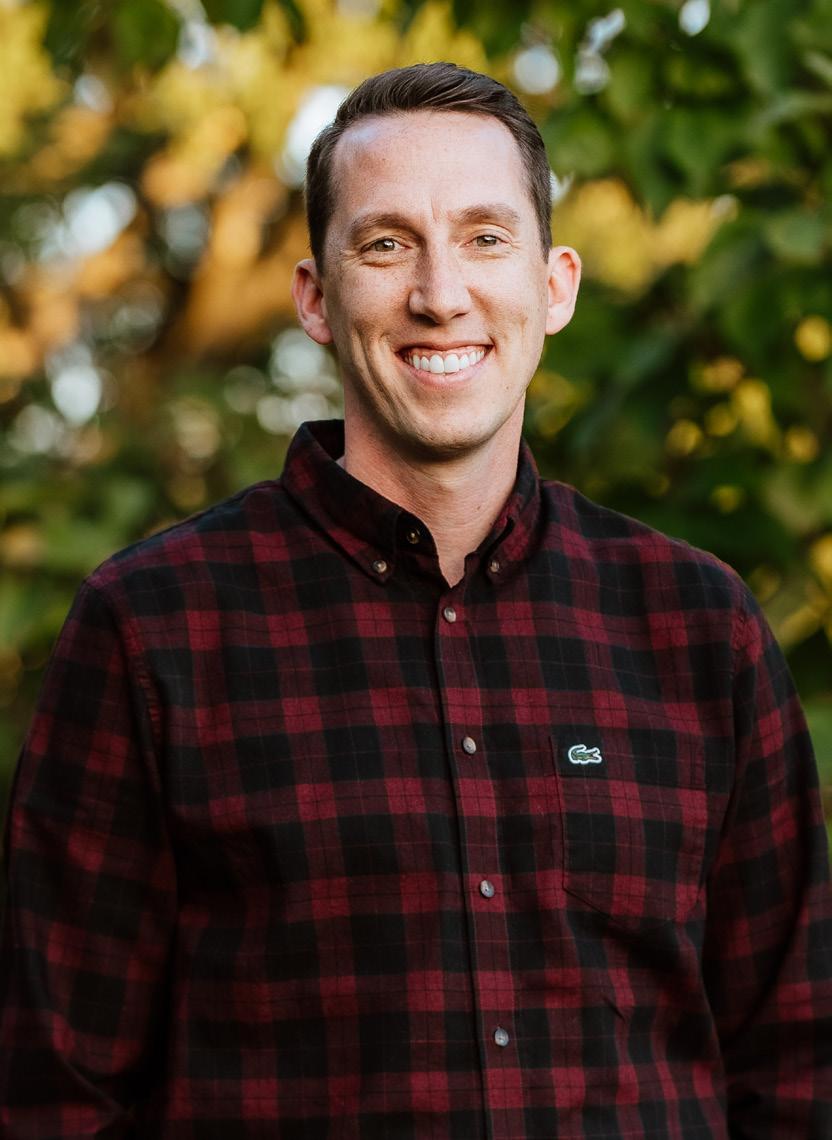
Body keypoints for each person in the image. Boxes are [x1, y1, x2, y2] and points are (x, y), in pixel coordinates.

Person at [1, 61, 830, 1139]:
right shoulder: (154, 628)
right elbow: (56, 1093)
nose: (441, 294)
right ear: (315, 297)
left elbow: (798, 1066)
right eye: (387, 244)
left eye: (485, 237)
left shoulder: (699, 626)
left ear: (555, 286)